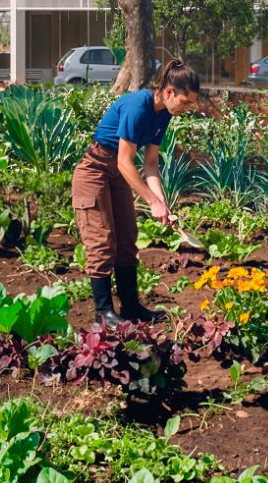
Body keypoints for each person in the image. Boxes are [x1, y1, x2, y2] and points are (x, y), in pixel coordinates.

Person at [71, 59, 205, 327]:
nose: (188, 108)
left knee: (127, 237)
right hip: (94, 171)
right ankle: (103, 314)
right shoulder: (138, 106)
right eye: (186, 102)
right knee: (101, 240)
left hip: (119, 173)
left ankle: (130, 307)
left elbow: (151, 163)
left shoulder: (164, 114)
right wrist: (151, 200)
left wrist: (162, 204)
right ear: (168, 92)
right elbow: (124, 161)